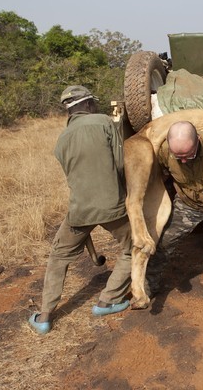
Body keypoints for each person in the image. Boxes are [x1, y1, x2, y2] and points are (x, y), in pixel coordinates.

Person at [28, 85, 133, 335]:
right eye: (93, 103)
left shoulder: (61, 139)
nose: (95, 106)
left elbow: (72, 175)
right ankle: (107, 300)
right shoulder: (105, 122)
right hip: (113, 208)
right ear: (86, 104)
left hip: (79, 211)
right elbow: (120, 164)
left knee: (58, 257)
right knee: (135, 248)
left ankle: (44, 317)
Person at [144, 121, 203, 294]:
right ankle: (148, 287)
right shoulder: (164, 152)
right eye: (179, 157)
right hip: (188, 204)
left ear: (199, 140)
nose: (184, 160)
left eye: (189, 154)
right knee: (162, 244)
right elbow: (163, 179)